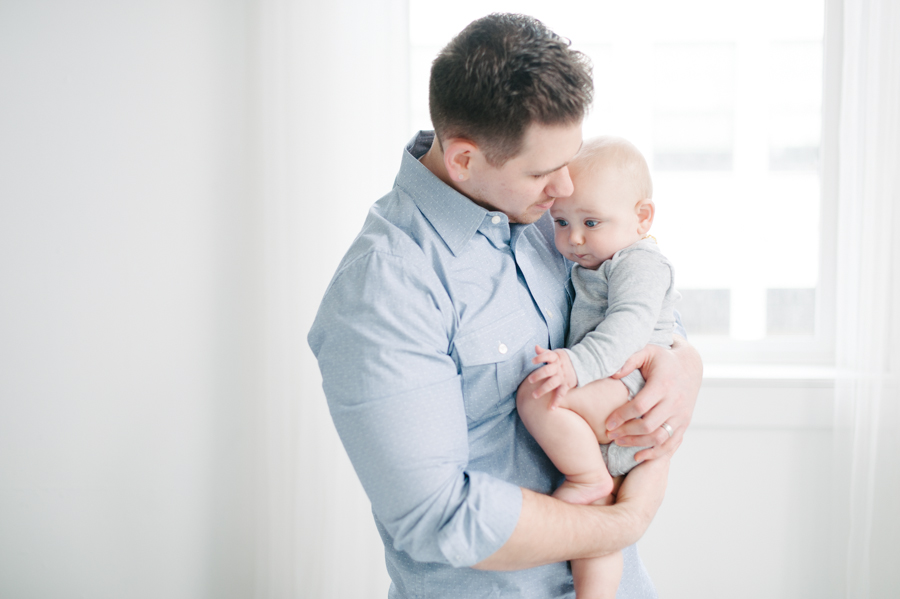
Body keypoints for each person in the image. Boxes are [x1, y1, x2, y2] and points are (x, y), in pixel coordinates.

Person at [308, 13, 702, 599]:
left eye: (569, 159)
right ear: (464, 159)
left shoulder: (551, 217)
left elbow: (640, 301)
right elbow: (435, 516)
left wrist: (683, 365)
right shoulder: (386, 286)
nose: (565, 188)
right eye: (544, 172)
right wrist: (619, 523)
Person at [515, 136, 679, 599]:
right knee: (599, 533)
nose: (574, 238)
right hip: (615, 391)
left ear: (642, 217)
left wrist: (576, 363)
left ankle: (587, 477)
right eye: (562, 222)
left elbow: (630, 326)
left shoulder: (640, 261)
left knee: (539, 395)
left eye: (591, 222)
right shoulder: (599, 258)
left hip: (627, 387)